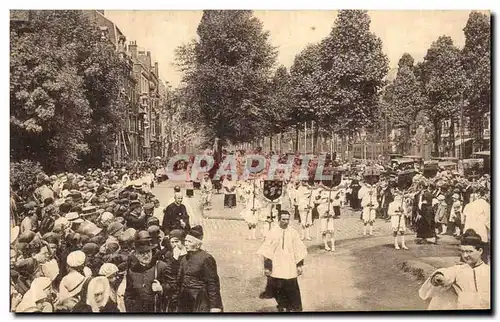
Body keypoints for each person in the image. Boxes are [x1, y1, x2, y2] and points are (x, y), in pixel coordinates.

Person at [419, 229, 490, 310]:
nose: (465, 255)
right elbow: (448, 273)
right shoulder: (459, 269)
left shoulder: (488, 271)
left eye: (469, 251)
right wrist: (440, 276)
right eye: (463, 252)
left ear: (480, 251)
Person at [257, 210, 307, 312]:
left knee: (291, 288)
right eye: (283, 219)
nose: (286, 221)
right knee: (278, 288)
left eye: (288, 219)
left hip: (290, 265)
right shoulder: (272, 233)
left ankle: (292, 307)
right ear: (279, 219)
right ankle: (281, 305)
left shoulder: (293, 232)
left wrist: (299, 265)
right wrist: (267, 267)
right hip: (277, 265)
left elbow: (299, 249)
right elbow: (267, 251)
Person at [177, 226, 223, 312]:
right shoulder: (184, 258)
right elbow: (179, 280)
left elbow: (212, 283)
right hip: (185, 300)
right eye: (185, 241)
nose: (186, 243)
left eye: (189, 241)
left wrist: (215, 306)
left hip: (200, 300)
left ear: (198, 245)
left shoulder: (206, 258)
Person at [124, 233, 173, 312]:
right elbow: (129, 294)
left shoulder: (161, 266)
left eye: (148, 252)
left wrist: (162, 288)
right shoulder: (132, 271)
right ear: (136, 255)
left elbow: (173, 287)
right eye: (142, 253)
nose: (146, 256)